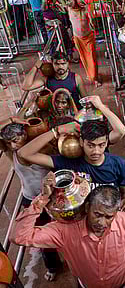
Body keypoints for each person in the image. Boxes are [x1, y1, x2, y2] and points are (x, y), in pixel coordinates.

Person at [11, 181, 125, 288]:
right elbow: (19, 237)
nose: (101, 222)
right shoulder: (63, 230)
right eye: (97, 214)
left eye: (109, 217)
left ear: (116, 213)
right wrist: (42, 199)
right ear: (87, 208)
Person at [18, 120, 125, 211]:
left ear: (107, 142)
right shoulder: (68, 163)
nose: (96, 151)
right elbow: (24, 153)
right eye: (91, 145)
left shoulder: (118, 163)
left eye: (101, 145)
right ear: (81, 142)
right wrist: (56, 131)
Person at [0, 119, 60, 281]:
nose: (13, 145)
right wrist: (12, 119)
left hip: (52, 198)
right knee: (39, 236)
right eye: (8, 142)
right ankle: (53, 266)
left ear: (25, 135)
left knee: (64, 229)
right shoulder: (10, 152)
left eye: (15, 140)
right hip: (31, 200)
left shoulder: (43, 148)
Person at [22, 52, 87, 109]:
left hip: (75, 112)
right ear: (52, 64)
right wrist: (35, 67)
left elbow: (85, 99)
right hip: (57, 113)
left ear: (68, 64)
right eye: (57, 64)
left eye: (63, 63)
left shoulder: (76, 78)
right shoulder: (47, 78)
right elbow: (26, 86)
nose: (60, 67)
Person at [61, 0, 99, 85]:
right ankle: (91, 76)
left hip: (88, 37)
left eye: (69, 0)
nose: (68, 2)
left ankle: (95, 78)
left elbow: (92, 21)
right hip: (77, 38)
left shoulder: (85, 9)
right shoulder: (69, 9)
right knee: (84, 58)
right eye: (66, 1)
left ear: (75, 0)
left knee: (92, 58)